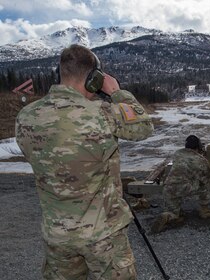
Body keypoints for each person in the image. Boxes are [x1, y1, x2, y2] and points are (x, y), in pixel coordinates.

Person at [15, 44, 154, 279]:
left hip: (57, 235)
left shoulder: (26, 116)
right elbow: (143, 126)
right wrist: (116, 92)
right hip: (103, 234)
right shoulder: (103, 113)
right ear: (94, 79)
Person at [151, 135, 210, 233]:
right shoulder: (201, 160)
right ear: (198, 147)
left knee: (174, 213)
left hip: (168, 187)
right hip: (184, 187)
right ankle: (205, 210)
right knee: (205, 185)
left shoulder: (177, 154)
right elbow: (205, 177)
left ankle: (168, 216)